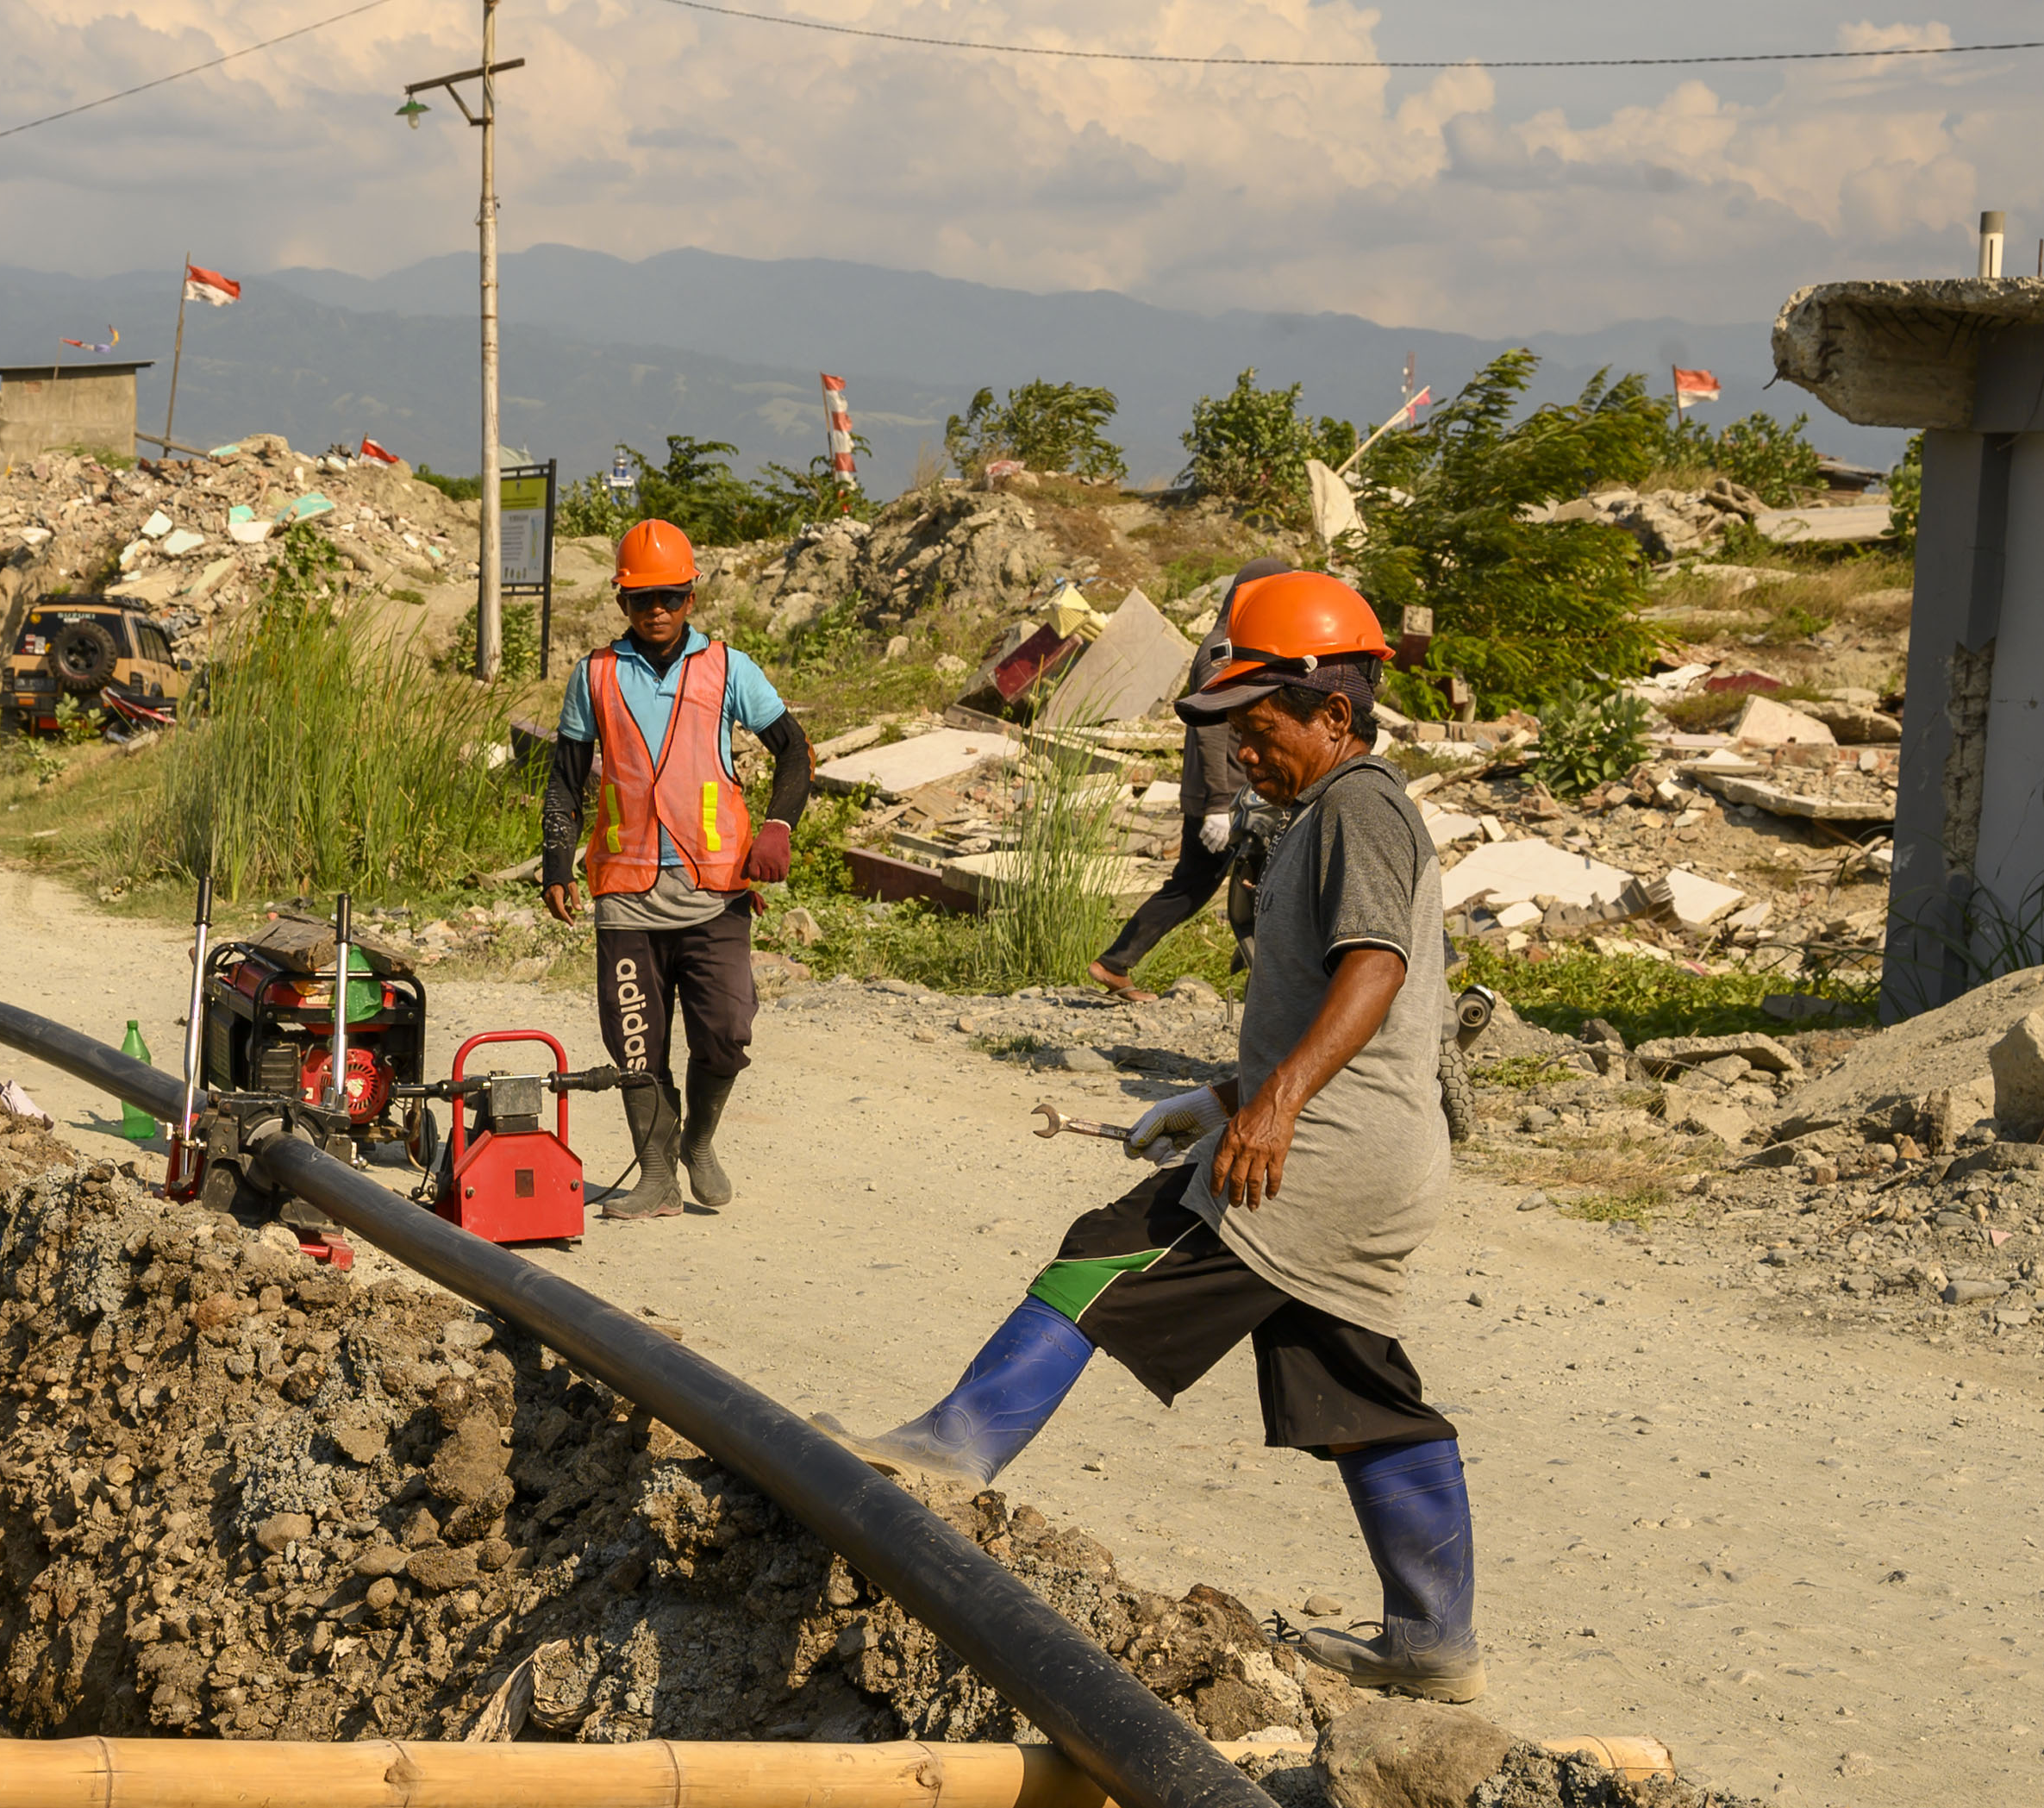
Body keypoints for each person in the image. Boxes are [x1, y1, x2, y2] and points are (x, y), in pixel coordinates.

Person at [822, 571, 1481, 1701]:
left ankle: (948, 1453)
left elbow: (1377, 970)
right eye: (1229, 734)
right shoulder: (1336, 812)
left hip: (1325, 1148)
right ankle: (1433, 1643)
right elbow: (1334, 1002)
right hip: (1375, 1149)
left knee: (1107, 1248)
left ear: (1334, 710)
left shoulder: (1361, 806)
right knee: (1354, 1383)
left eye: (1256, 728)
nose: (1241, 756)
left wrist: (1273, 1109)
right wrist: (1225, 1095)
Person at [540, 520, 812, 1218]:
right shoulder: (594, 676)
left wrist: (778, 825)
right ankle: (656, 1175)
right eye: (640, 600)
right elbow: (566, 779)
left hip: (713, 891)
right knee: (636, 1042)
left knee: (726, 1033)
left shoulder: (728, 669)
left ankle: (697, 1140)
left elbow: (793, 750)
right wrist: (554, 861)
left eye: (669, 597)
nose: (655, 611)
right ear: (621, 603)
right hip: (625, 894)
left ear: (690, 596)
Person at [1090, 556, 1289, 999]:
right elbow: (1210, 730)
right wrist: (1218, 805)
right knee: (1196, 885)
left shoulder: (1237, 643)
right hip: (1224, 797)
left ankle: (1116, 962)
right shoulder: (1222, 651)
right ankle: (1116, 962)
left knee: (1210, 883)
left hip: (1238, 792)